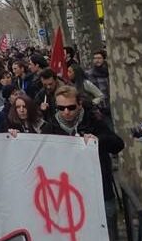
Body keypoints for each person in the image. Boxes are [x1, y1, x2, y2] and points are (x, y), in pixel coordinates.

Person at [44, 85, 124, 215]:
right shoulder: (50, 127)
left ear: (79, 104)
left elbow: (118, 144)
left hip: (99, 190)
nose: (66, 112)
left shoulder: (93, 120)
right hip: (67, 193)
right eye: (61, 108)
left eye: (71, 107)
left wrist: (97, 140)